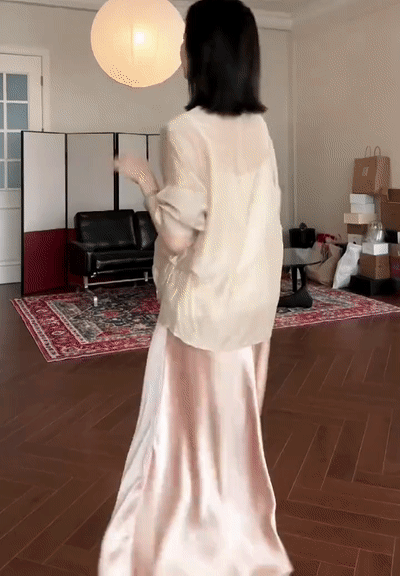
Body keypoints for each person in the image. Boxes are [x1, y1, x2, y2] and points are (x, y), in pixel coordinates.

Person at [98, 0, 293, 574]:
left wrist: (145, 180)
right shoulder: (258, 129)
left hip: (201, 313)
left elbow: (178, 238)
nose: (180, 52)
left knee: (181, 444)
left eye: (185, 42)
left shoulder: (184, 130)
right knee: (234, 438)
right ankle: (236, 540)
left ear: (199, 55)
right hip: (253, 312)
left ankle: (184, 549)